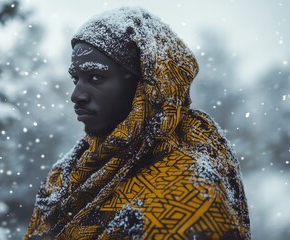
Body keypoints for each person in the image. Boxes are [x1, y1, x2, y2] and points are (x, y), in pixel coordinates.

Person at [25, 7, 250, 240]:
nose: (76, 95)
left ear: (145, 85)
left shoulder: (191, 187)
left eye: (96, 77)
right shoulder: (67, 173)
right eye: (76, 79)